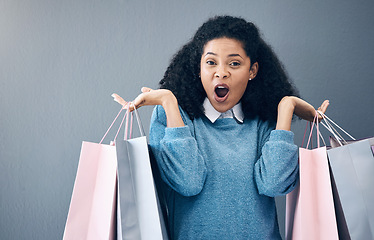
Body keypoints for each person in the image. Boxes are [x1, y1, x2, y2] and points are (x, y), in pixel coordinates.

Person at [113, 15, 329, 240]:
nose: (221, 72)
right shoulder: (173, 115)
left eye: (234, 63)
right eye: (211, 62)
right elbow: (188, 182)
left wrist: (286, 106)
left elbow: (274, 184)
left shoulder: (265, 120)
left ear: (252, 70)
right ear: (198, 67)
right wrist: (169, 101)